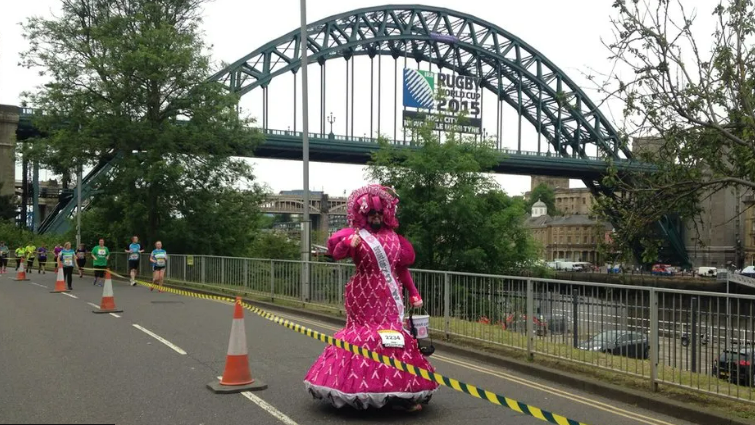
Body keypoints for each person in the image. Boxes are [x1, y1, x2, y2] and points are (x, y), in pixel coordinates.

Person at [303, 184, 436, 412]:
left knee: (394, 337)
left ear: (385, 214)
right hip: (363, 294)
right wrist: (347, 244)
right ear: (363, 215)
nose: (375, 217)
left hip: (390, 297)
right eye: (371, 213)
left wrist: (414, 293)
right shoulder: (355, 236)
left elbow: (401, 269)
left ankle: (401, 394)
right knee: (367, 338)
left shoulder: (395, 239)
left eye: (378, 213)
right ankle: (362, 388)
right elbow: (335, 254)